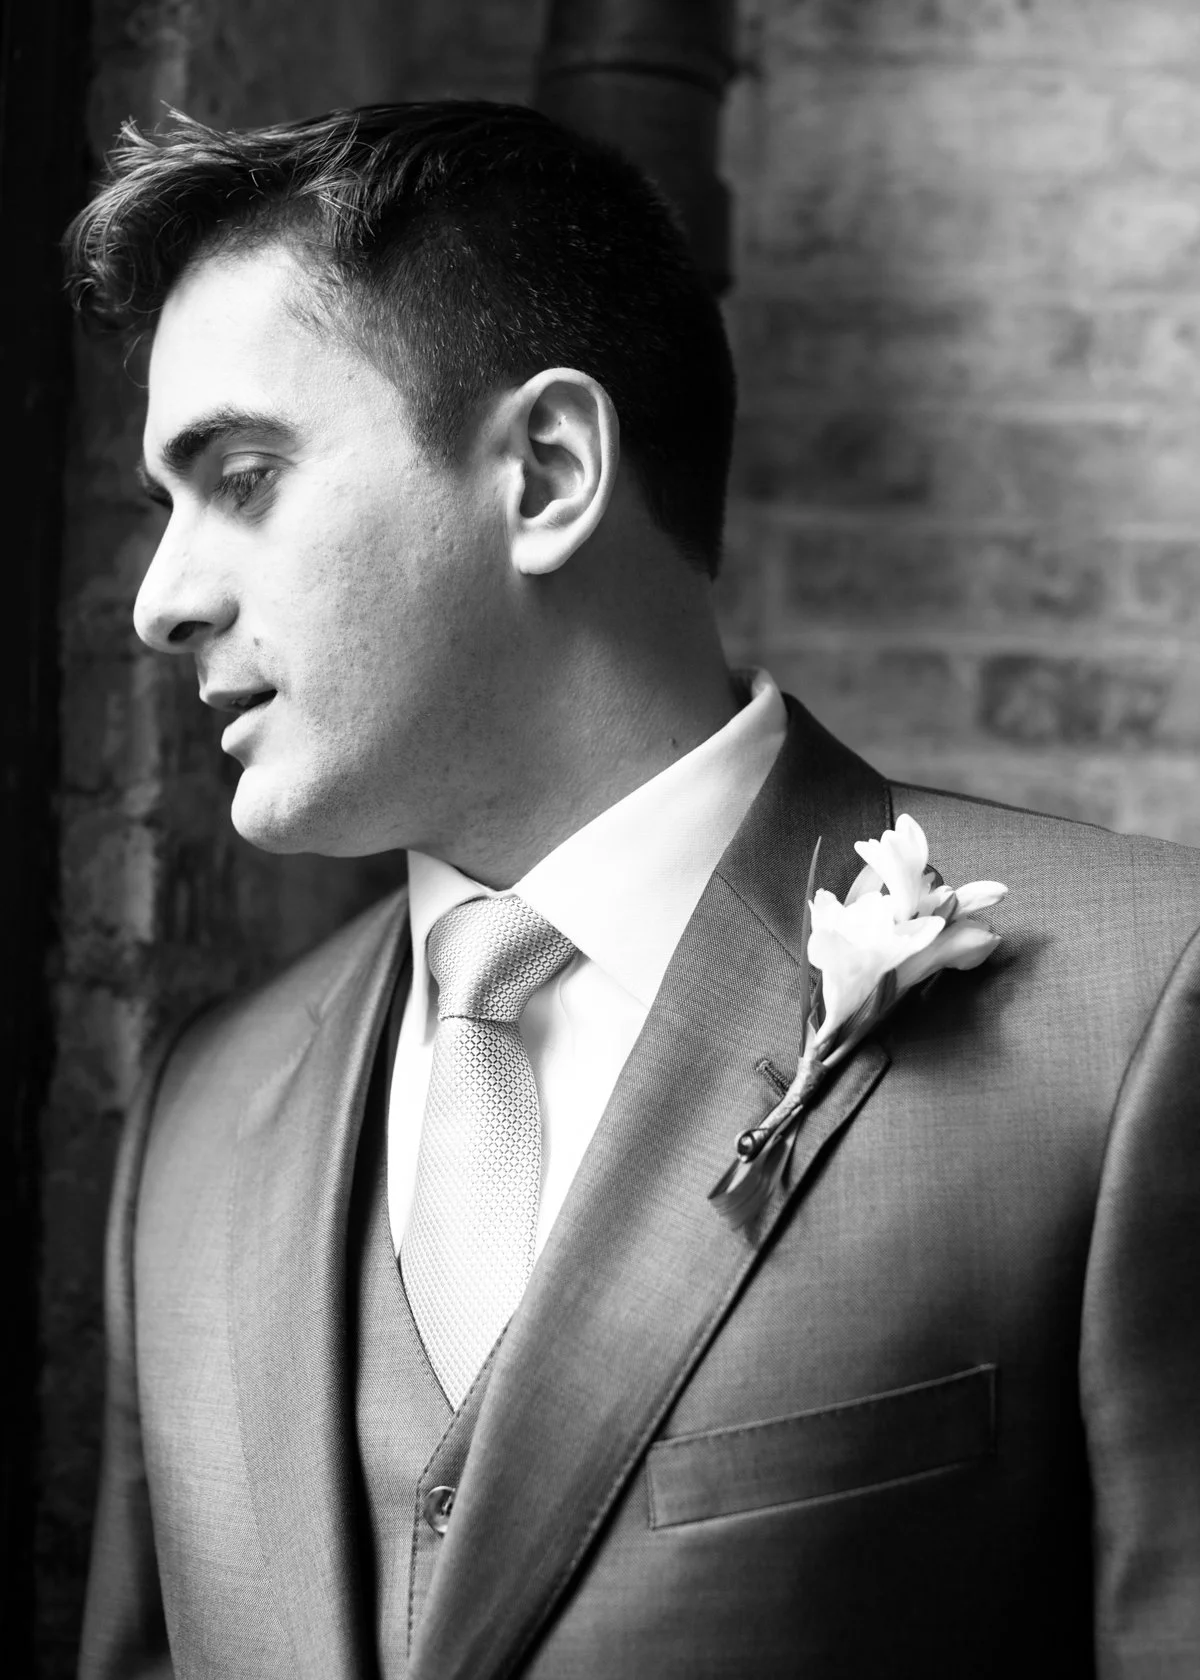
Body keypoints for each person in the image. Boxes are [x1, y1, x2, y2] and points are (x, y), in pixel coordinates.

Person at [64, 101, 1200, 1680]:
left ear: (545, 471)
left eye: (243, 476)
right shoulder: (198, 1118)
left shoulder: (1141, 1012)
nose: (162, 602)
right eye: (161, 511)